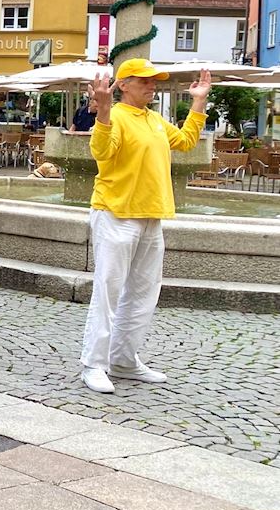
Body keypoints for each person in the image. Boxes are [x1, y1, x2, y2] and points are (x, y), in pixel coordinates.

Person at [80, 59, 209, 393]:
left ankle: (124, 359)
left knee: (144, 293)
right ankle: (94, 364)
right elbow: (101, 152)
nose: (152, 86)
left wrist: (198, 101)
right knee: (108, 292)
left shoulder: (154, 119)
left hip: (151, 215)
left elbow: (186, 141)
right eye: (144, 81)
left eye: (154, 81)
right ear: (123, 85)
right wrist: (103, 111)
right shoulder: (116, 116)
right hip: (116, 213)